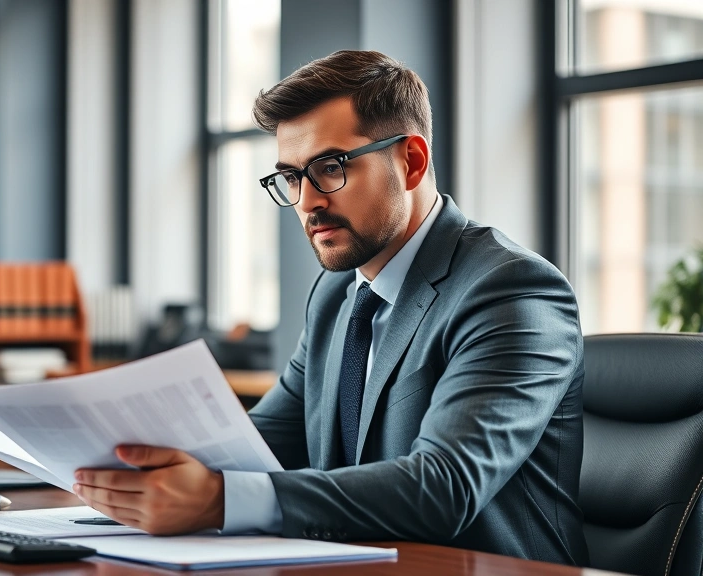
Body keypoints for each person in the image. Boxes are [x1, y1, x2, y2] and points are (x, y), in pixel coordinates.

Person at [73, 50, 589, 566]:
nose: (306, 201)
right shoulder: (335, 296)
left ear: (411, 161)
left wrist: (218, 498)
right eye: (292, 177)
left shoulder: (511, 290)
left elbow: (444, 486)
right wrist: (129, 462)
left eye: (329, 167)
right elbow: (261, 443)